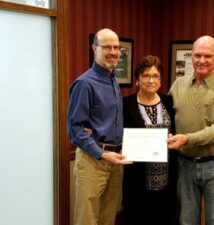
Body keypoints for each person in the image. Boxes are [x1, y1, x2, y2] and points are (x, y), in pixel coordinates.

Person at [168, 35, 214, 225]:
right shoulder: (178, 84)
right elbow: (165, 116)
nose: (201, 60)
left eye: (207, 56)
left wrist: (186, 138)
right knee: (186, 220)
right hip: (185, 165)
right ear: (191, 56)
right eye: (197, 55)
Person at [67, 28, 131, 225]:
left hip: (115, 160)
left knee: (107, 218)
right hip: (93, 160)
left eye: (116, 47)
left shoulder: (113, 80)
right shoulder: (85, 83)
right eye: (107, 47)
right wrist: (102, 153)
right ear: (95, 48)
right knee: (87, 219)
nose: (113, 52)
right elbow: (75, 129)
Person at [122, 55, 178, 225]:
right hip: (138, 181)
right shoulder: (126, 104)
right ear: (138, 79)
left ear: (161, 80)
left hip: (167, 178)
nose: (151, 80)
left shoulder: (169, 102)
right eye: (146, 75)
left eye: (155, 76)